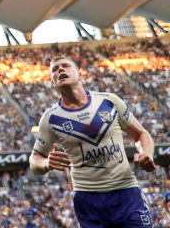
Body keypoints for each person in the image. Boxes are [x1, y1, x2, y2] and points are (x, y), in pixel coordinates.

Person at [29, 55, 156, 228]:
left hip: (126, 192)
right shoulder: (50, 118)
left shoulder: (108, 101)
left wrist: (146, 154)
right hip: (89, 201)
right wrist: (46, 163)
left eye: (65, 66)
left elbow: (141, 134)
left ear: (79, 74)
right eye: (54, 70)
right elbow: (35, 159)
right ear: (53, 83)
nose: (60, 70)